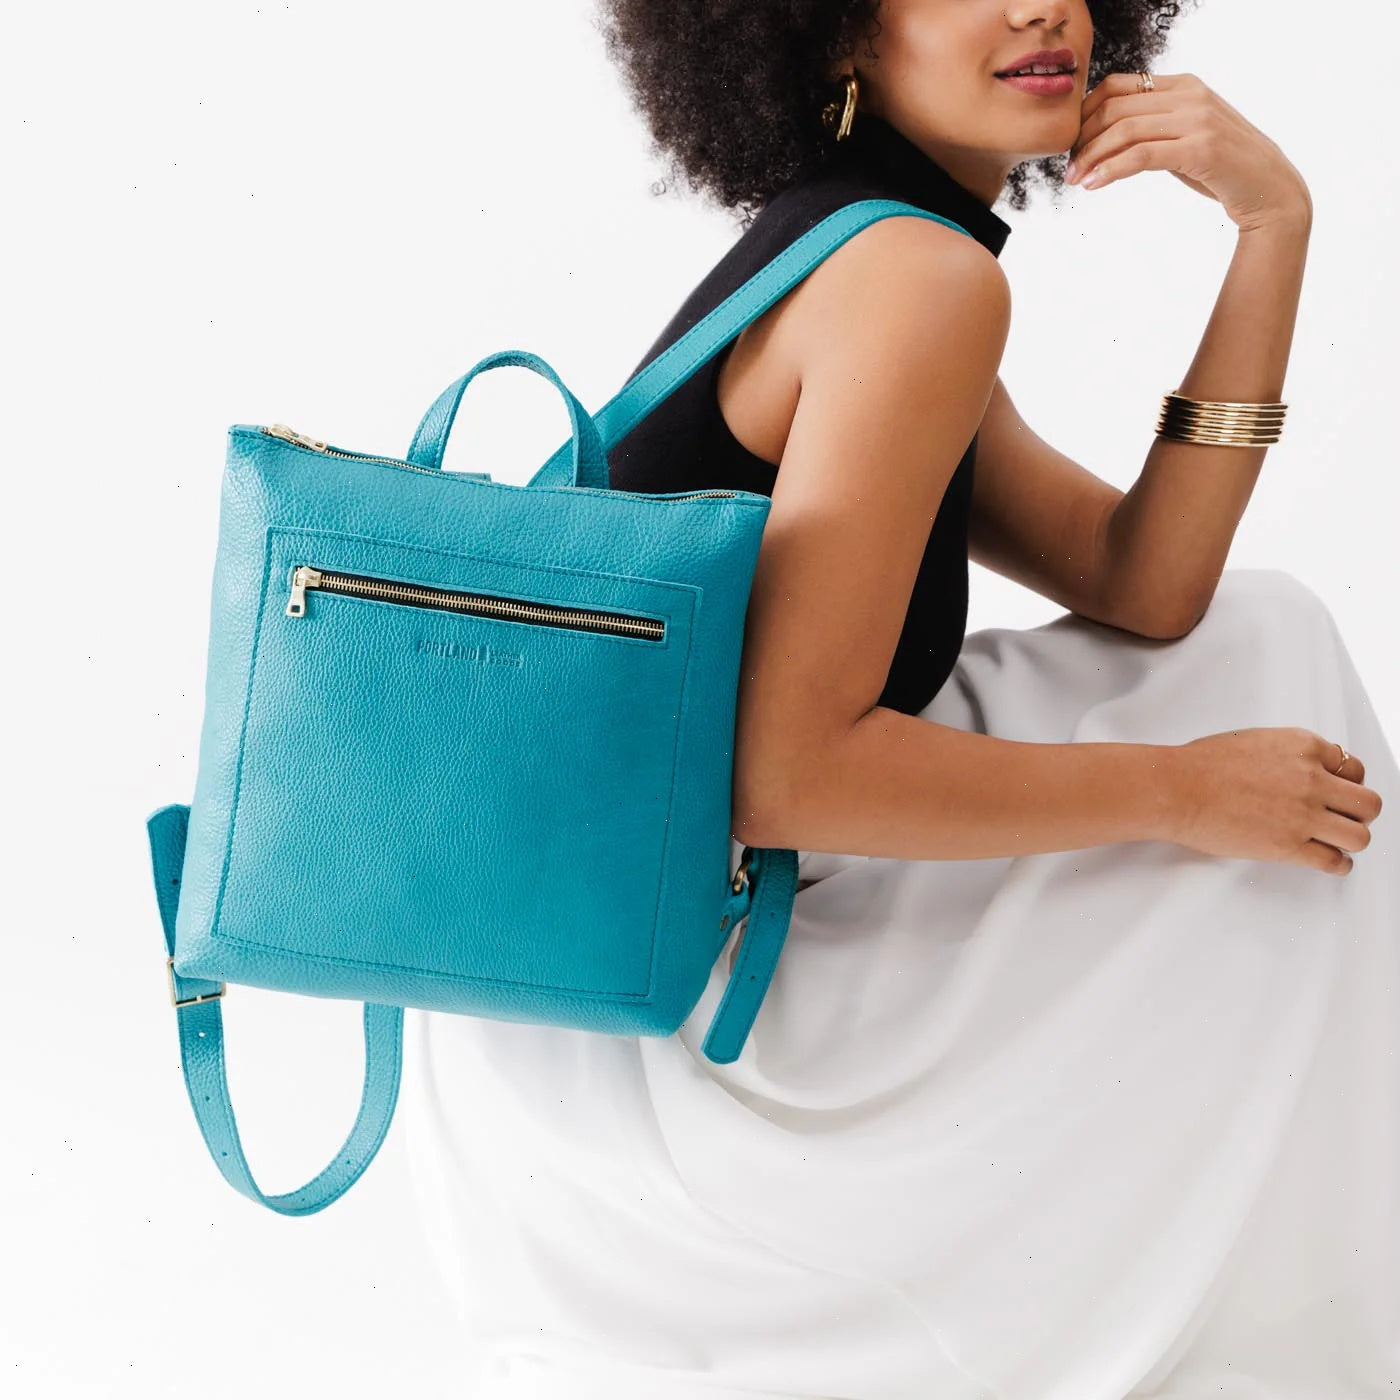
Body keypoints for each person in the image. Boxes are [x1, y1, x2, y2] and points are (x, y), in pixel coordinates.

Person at [398, 1, 1399, 1395]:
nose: (1039, 7)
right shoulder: (914, 281)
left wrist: (1271, 229)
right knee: (1261, 692)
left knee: (1256, 636)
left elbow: (1148, 579)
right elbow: (787, 779)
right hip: (681, 1033)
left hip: (553, 1026)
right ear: (833, 37)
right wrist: (1185, 795)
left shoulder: (873, 247)